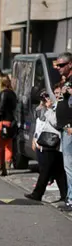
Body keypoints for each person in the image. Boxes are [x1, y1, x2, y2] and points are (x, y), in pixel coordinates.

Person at [26, 86, 68, 202]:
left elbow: (55, 122)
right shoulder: (52, 106)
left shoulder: (61, 106)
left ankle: (37, 194)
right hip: (48, 141)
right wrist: (43, 105)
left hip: (53, 141)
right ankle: (65, 195)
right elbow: (40, 121)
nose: (57, 96)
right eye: (55, 93)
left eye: (59, 93)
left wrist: (49, 109)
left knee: (46, 170)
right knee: (58, 171)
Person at [53, 52, 72, 212]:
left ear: (70, 64)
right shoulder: (67, 81)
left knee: (69, 166)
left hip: (69, 128)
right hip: (65, 128)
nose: (58, 68)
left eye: (61, 65)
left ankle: (71, 200)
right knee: (68, 166)